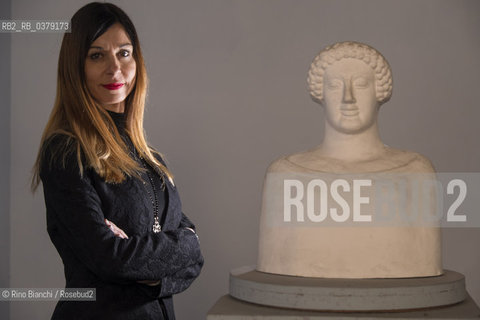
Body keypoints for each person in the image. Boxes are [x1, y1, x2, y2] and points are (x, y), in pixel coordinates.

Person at [31, 2, 203, 319]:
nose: (115, 68)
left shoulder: (151, 160)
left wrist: (152, 268)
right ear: (76, 66)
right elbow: (110, 258)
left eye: (124, 53)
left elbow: (194, 256)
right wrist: (177, 247)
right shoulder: (66, 151)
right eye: (97, 55)